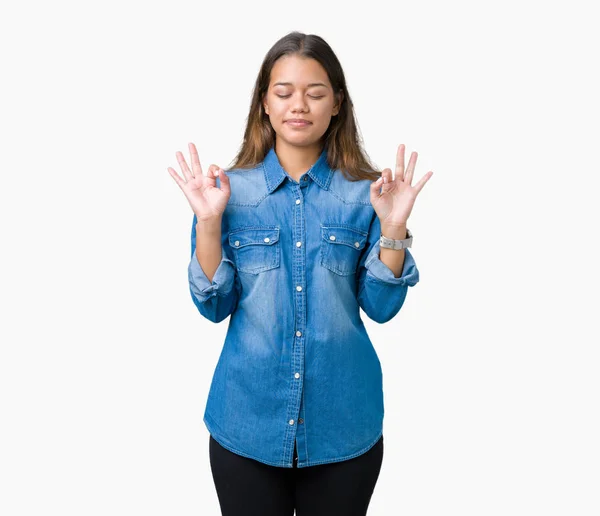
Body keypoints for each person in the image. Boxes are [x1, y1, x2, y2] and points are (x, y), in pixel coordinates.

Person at [167, 31, 433, 516]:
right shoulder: (227, 193)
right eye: (284, 92)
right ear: (264, 104)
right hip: (246, 421)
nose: (299, 105)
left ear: (336, 104)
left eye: (315, 93)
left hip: (343, 423)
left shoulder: (367, 194)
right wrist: (209, 223)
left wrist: (393, 227)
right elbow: (213, 305)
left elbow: (382, 306)